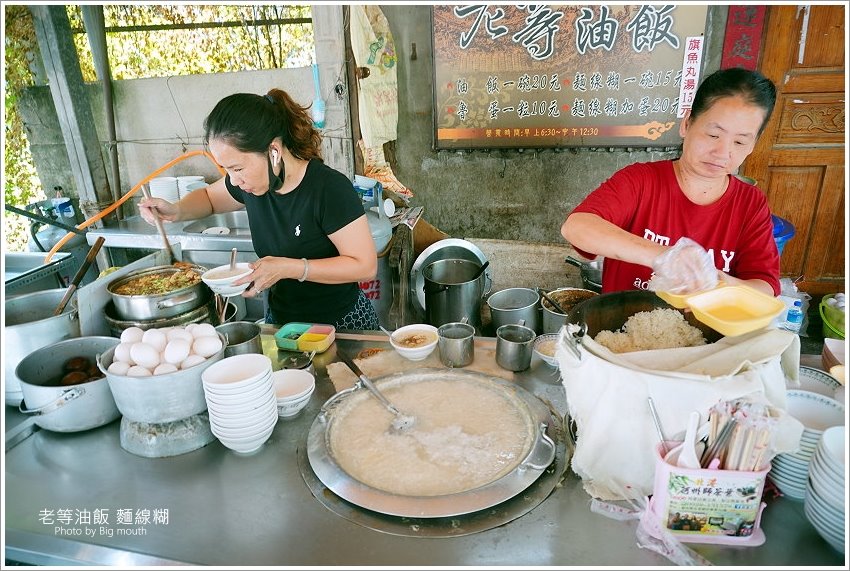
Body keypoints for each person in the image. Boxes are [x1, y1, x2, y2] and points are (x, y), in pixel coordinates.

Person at [139, 89, 381, 330]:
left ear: (273, 151)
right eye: (226, 170)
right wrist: (175, 209)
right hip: (282, 324)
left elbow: (365, 265)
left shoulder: (328, 189)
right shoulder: (250, 185)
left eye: (237, 168)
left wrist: (290, 268)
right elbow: (209, 198)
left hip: (340, 325)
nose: (233, 181)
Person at [561, 67, 780, 297]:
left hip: (710, 332)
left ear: (754, 144)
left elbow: (765, 287)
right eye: (714, 135)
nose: (723, 153)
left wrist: (722, 283)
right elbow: (577, 226)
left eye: (739, 142)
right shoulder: (641, 181)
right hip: (624, 328)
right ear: (687, 123)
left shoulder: (750, 203)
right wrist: (664, 257)